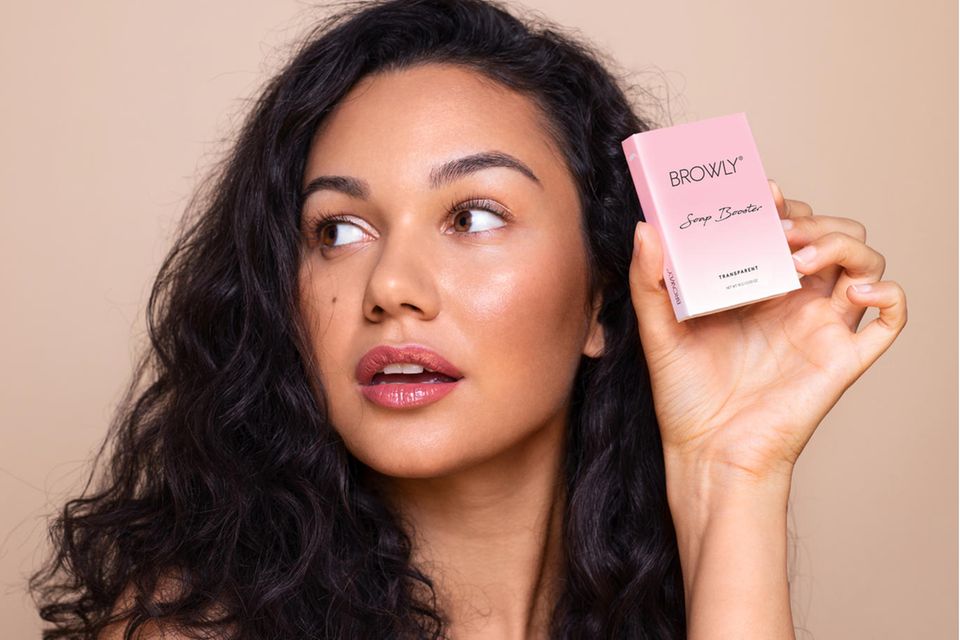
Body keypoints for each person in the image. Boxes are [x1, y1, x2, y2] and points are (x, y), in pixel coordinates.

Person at [29, 0, 908, 638]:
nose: (391, 287)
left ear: (603, 292)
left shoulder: (688, 607)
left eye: (473, 216)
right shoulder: (193, 632)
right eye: (337, 230)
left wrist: (732, 475)